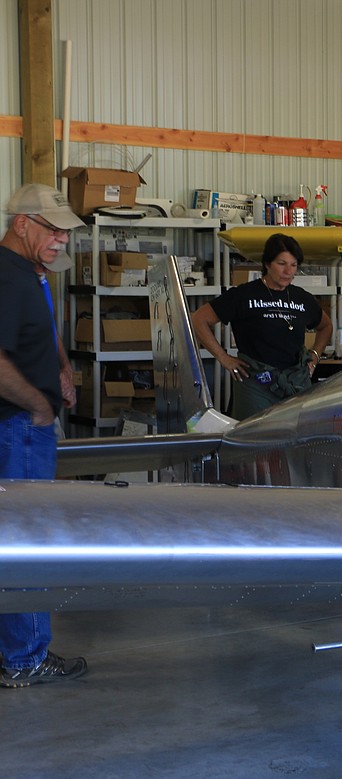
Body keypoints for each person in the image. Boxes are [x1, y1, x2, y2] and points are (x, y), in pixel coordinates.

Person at [0, 183, 87, 687]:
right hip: (18, 429)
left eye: (65, 233)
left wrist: (60, 370)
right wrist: (36, 403)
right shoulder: (8, 278)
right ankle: (26, 658)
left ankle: (15, 649)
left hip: (20, 426)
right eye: (52, 230)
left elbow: (42, 329)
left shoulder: (28, 274)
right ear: (22, 224)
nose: (61, 241)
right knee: (27, 541)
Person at [193, 233, 333, 419]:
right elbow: (199, 320)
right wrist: (223, 358)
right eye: (281, 264)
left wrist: (315, 355)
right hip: (255, 383)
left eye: (293, 265)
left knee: (296, 437)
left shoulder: (303, 298)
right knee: (253, 440)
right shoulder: (243, 295)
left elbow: (326, 326)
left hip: (295, 382)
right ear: (267, 264)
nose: (288, 271)